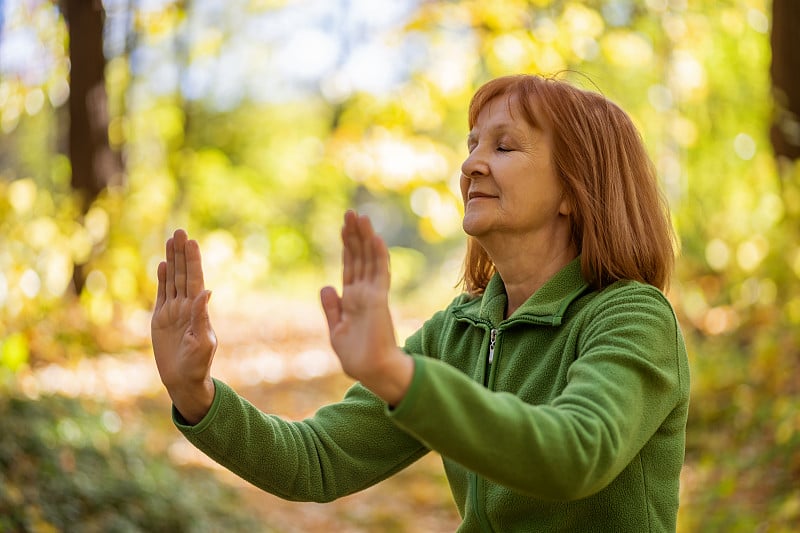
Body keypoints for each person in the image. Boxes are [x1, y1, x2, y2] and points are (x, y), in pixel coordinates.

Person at [151, 74, 690, 532]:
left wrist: (398, 374)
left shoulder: (632, 317)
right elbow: (316, 461)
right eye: (472, 144)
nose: (473, 165)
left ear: (576, 189)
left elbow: (577, 453)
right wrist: (196, 396)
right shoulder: (456, 333)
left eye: (504, 147)